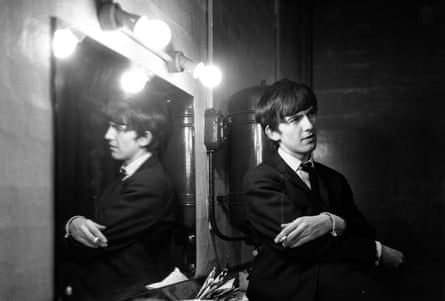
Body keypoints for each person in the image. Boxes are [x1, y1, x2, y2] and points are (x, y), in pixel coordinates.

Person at [243, 79, 405, 301]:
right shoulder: (260, 180)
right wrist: (377, 252)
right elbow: (301, 245)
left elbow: (364, 231)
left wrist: (332, 222)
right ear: (272, 133)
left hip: (337, 282)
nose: (309, 125)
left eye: (311, 114)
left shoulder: (334, 179)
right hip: (285, 292)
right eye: (295, 119)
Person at [63, 99, 176, 301]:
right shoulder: (128, 177)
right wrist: (75, 222)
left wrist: (69, 227)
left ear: (144, 138)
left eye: (118, 128)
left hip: (126, 295)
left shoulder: (149, 183)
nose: (108, 135)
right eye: (110, 127)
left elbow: (94, 242)